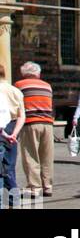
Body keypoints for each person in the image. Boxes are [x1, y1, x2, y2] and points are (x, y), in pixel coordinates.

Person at [15, 61, 54, 198]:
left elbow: (16, 104)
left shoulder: (19, 85)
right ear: (38, 73)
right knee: (46, 157)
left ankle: (34, 187)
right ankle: (47, 186)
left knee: (31, 156)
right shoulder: (47, 86)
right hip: (48, 123)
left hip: (30, 123)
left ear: (23, 73)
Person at [0, 65, 26, 204]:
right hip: (13, 126)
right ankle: (13, 200)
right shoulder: (16, 91)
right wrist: (14, 134)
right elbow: (22, 116)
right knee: (9, 166)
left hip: (2, 128)